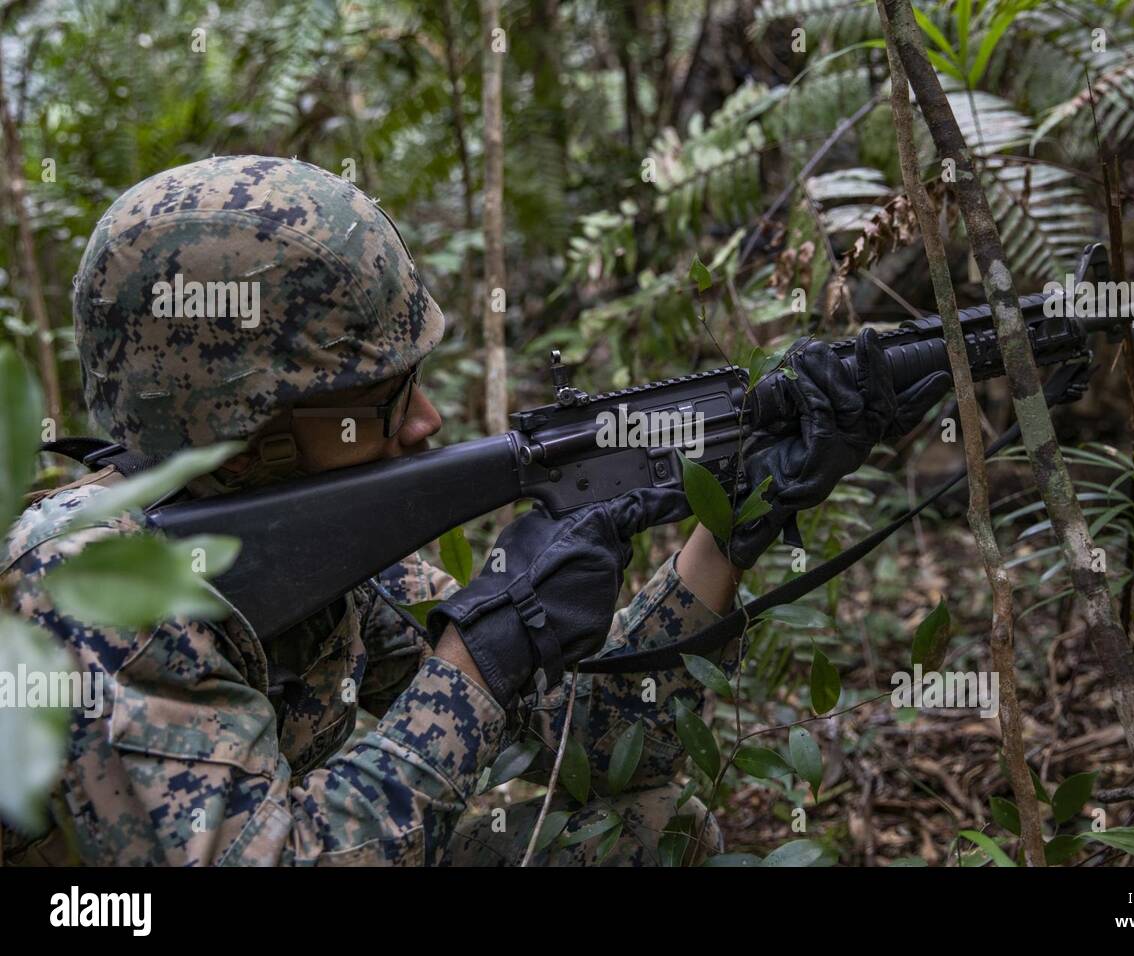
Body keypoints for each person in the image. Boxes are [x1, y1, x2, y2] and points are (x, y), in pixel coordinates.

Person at [1, 155, 946, 866]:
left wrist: (729, 527)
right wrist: (481, 651)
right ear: (255, 424)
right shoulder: (86, 588)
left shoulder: (313, 536)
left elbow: (589, 739)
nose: (426, 420)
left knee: (637, 824)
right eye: (380, 397)